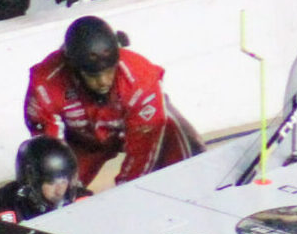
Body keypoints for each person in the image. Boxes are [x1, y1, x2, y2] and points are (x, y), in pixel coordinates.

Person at [24, 15, 201, 188]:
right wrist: (66, 189)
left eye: (109, 71)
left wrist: (127, 189)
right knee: (50, 183)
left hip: (139, 130)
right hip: (82, 141)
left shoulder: (141, 78)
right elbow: (49, 145)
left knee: (187, 160)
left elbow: (143, 150)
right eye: (93, 75)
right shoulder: (45, 82)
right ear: (75, 69)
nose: (103, 81)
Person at [0, 134, 88, 223]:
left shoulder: (84, 202)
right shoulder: (1, 207)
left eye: (64, 181)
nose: (59, 191)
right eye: (52, 182)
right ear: (31, 181)